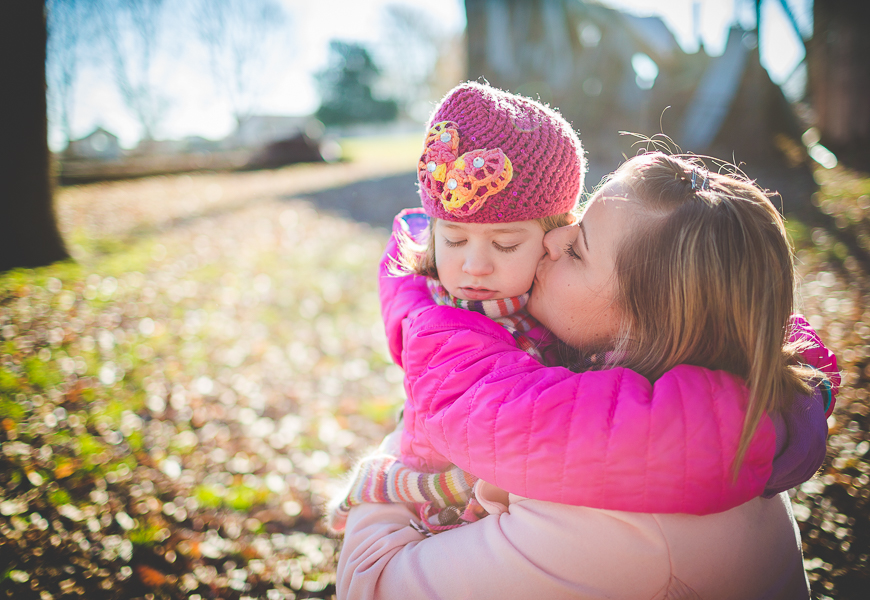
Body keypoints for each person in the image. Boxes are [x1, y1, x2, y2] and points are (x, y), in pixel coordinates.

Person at [335, 150, 839, 599]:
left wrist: (410, 434)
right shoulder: (707, 415)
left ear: (646, 322)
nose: (553, 239)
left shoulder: (616, 509)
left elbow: (373, 582)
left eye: (578, 250)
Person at [328, 81, 584, 533]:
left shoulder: (571, 308)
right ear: (433, 233)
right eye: (454, 239)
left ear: (556, 238)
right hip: (440, 504)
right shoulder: (435, 315)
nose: (474, 265)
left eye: (505, 244)